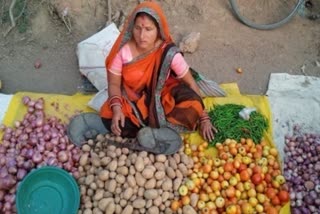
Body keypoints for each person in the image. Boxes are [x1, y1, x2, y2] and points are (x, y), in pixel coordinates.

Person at [100, 1, 217, 143]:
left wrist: (204, 118)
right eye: (138, 28)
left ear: (158, 30)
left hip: (162, 97)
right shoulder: (123, 52)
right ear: (132, 27)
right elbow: (113, 84)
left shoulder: (168, 52)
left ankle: (152, 131)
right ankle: (156, 132)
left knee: (193, 104)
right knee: (111, 117)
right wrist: (117, 109)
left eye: (148, 29)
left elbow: (190, 83)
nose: (142, 35)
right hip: (132, 100)